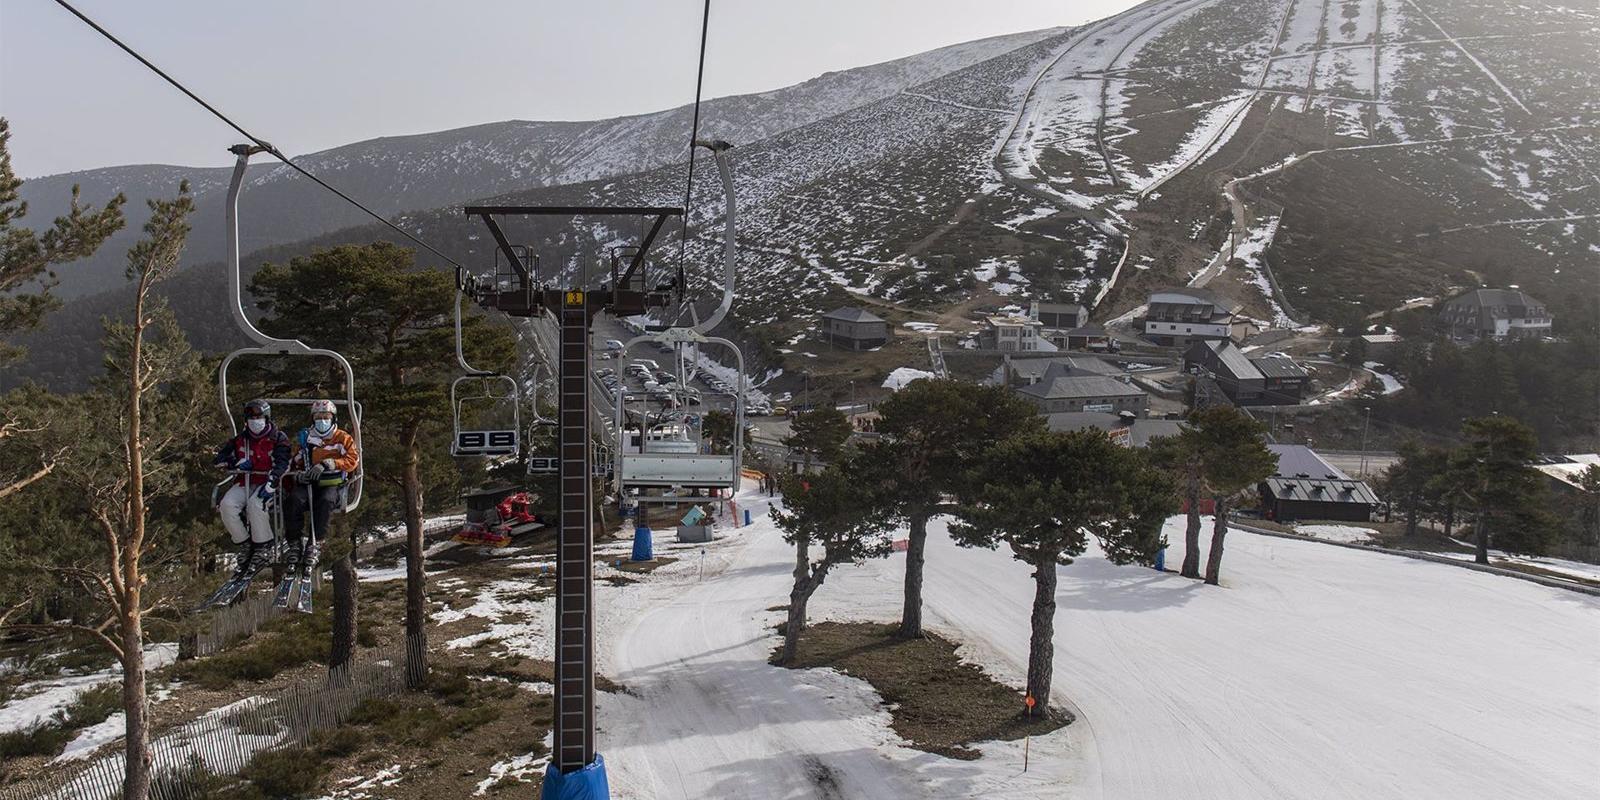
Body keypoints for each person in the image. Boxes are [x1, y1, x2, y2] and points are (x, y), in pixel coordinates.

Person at [212, 399, 291, 579]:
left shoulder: (278, 438)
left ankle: (263, 547)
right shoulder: (241, 440)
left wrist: (272, 481)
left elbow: (283, 462)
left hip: (269, 484)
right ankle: (246, 544)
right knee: (227, 505)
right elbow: (219, 458)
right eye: (251, 418)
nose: (255, 421)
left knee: (256, 505)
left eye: (259, 417)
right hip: (245, 481)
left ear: (267, 418)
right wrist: (234, 462)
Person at [283, 399, 360, 567]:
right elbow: (295, 460)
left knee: (326, 501)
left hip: (331, 481)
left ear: (333, 418)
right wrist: (297, 475)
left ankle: (315, 542)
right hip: (309, 481)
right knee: (293, 500)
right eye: (318, 417)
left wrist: (331, 463)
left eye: (326, 416)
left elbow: (353, 459)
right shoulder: (306, 438)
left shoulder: (341, 438)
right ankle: (294, 543)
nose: (322, 420)